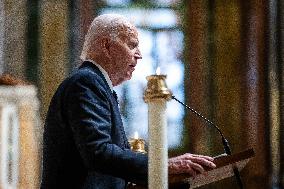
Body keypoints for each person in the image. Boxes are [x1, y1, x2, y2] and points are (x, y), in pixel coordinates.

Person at [40, 14, 216, 189]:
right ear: (107, 46)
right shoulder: (86, 83)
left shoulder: (95, 83)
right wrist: (162, 166)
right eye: (132, 45)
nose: (139, 55)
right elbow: (97, 151)